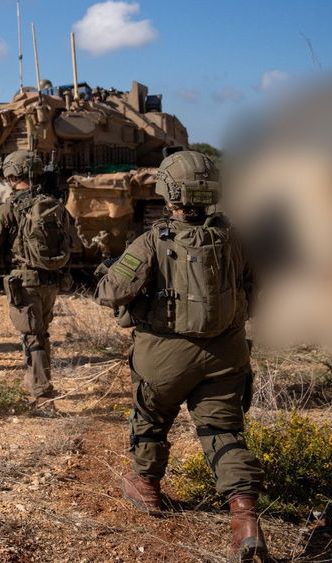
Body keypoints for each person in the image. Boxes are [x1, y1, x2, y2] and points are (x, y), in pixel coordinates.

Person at [94, 150, 267, 562]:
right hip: (226, 354)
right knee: (223, 431)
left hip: (164, 357)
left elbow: (110, 292)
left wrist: (107, 272)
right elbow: (253, 293)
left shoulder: (153, 240)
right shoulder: (235, 238)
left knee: (151, 420)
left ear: (169, 192)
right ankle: (245, 518)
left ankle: (147, 486)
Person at [0, 150, 70, 410]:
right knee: (41, 332)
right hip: (51, 280)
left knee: (32, 335)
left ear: (12, 177)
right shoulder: (55, 206)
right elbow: (75, 242)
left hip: (24, 282)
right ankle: (35, 380)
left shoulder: (8, 209)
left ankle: (42, 394)